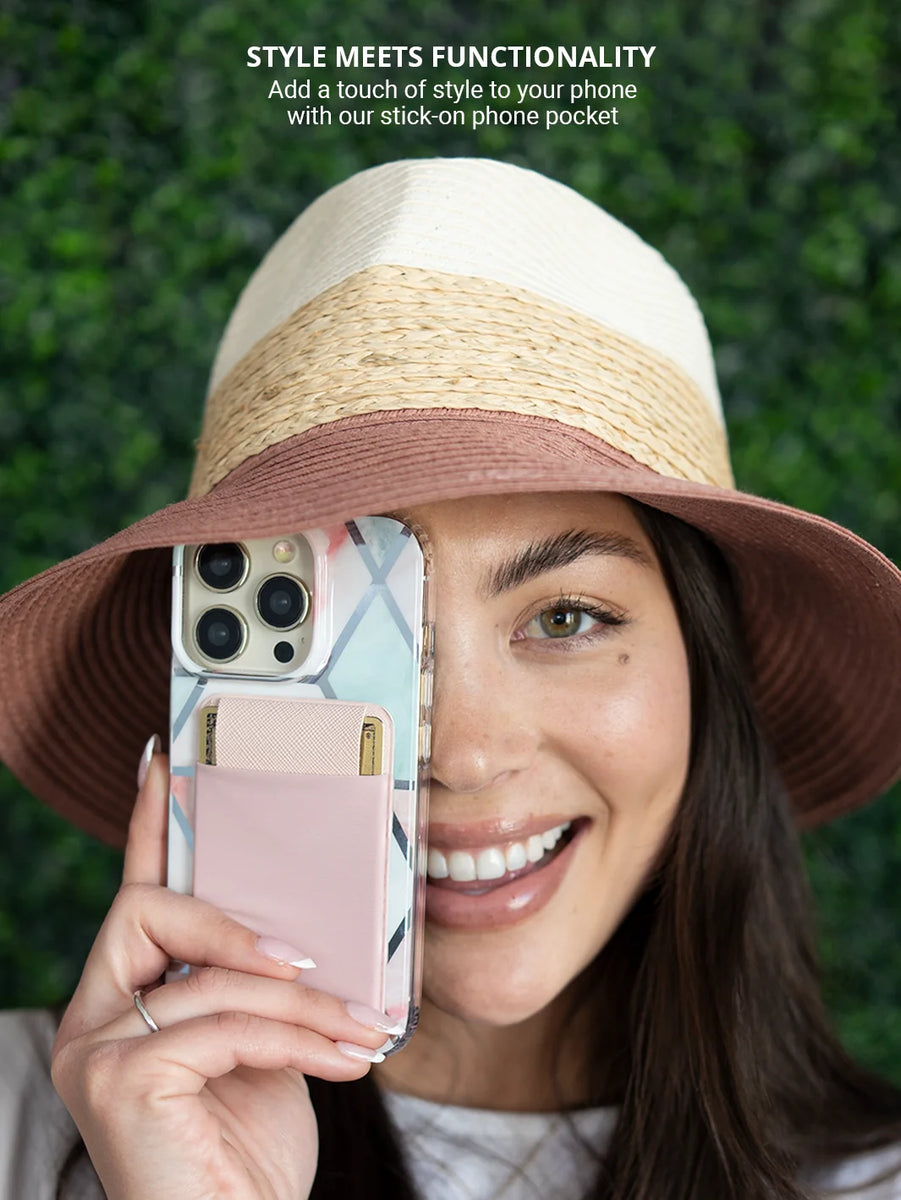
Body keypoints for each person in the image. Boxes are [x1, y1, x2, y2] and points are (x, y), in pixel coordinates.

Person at [1, 158, 901, 1200]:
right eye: (383, 647)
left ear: (706, 665)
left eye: (566, 618)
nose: (463, 756)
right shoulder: (29, 1125)